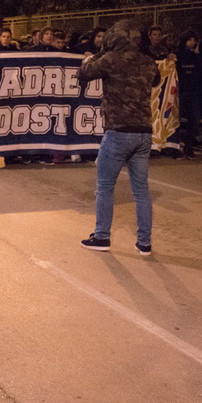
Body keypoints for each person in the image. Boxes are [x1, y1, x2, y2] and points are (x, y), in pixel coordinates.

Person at [77, 20, 160, 255]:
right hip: (144, 132)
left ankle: (102, 237)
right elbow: (156, 80)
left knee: (104, 186)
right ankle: (144, 243)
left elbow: (83, 73)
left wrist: (98, 54)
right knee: (141, 190)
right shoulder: (147, 61)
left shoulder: (111, 59)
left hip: (119, 131)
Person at [176, 30, 202, 157]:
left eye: (194, 40)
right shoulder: (177, 55)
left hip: (193, 92)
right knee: (177, 121)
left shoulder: (195, 55)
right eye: (190, 40)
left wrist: (198, 54)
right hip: (180, 92)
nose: (192, 42)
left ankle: (188, 146)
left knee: (194, 120)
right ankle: (177, 147)